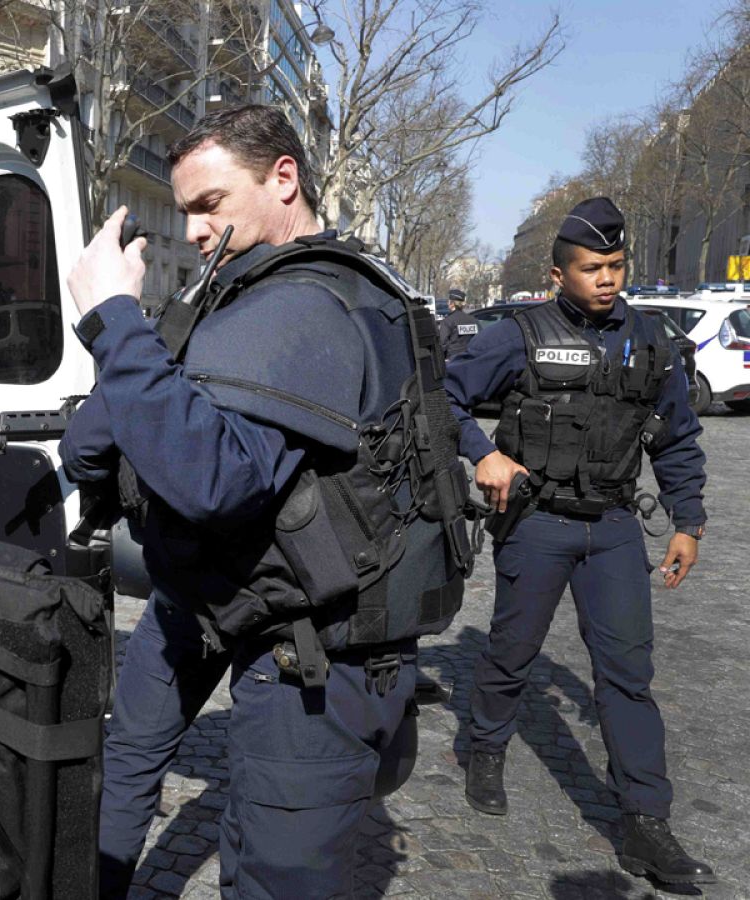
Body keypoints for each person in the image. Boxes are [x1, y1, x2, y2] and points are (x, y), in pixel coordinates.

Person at [62, 105, 469, 899]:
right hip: (209, 595)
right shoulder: (232, 300)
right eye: (184, 213)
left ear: (284, 177)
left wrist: (114, 320)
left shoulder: (306, 303)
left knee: (275, 874)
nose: (193, 232)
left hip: (309, 647)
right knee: (123, 768)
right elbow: (87, 450)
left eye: (209, 205)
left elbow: (209, 479)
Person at [445, 197, 714, 886]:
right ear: (559, 272)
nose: (607, 279)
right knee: (511, 651)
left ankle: (646, 824)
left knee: (628, 677)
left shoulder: (650, 341)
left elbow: (678, 437)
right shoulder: (519, 335)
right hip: (537, 523)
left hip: (616, 528)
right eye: (592, 268)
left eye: (616, 265)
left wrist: (688, 521)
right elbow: (439, 396)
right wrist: (482, 452)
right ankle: (484, 746)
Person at [437, 288, 482, 360]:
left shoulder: (448, 321)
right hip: (470, 358)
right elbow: (480, 338)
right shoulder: (473, 320)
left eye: (449, 301)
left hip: (453, 360)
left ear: (452, 304)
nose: (447, 303)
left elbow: (442, 343)